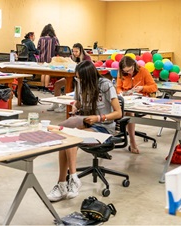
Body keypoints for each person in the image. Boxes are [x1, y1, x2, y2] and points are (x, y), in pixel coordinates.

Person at [47, 61, 122, 202]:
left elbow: (118, 113)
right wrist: (76, 106)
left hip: (104, 127)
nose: (79, 81)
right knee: (63, 134)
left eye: (80, 78)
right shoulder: (80, 84)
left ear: (89, 77)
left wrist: (99, 117)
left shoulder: (105, 85)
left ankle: (73, 179)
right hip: (86, 121)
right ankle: (62, 184)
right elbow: (79, 102)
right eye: (77, 78)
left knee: (72, 137)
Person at [116, 56, 157, 154]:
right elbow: (118, 87)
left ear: (134, 65)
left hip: (140, 101)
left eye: (130, 70)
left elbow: (154, 87)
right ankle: (117, 127)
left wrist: (142, 88)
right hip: (126, 99)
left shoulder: (143, 71)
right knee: (120, 108)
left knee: (128, 112)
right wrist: (121, 92)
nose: (129, 73)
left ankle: (132, 141)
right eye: (126, 71)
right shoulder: (122, 73)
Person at [48, 43, 92, 113]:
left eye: (76, 51)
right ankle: (55, 104)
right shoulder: (71, 57)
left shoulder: (86, 58)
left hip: (82, 79)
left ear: (81, 50)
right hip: (71, 76)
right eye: (73, 51)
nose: (75, 53)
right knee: (57, 84)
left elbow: (88, 69)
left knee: (68, 85)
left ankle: (65, 105)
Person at [37, 24, 60, 91]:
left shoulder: (41, 39)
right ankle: (46, 87)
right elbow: (57, 48)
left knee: (43, 72)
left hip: (42, 58)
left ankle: (42, 87)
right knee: (48, 73)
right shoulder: (54, 39)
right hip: (51, 58)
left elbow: (38, 48)